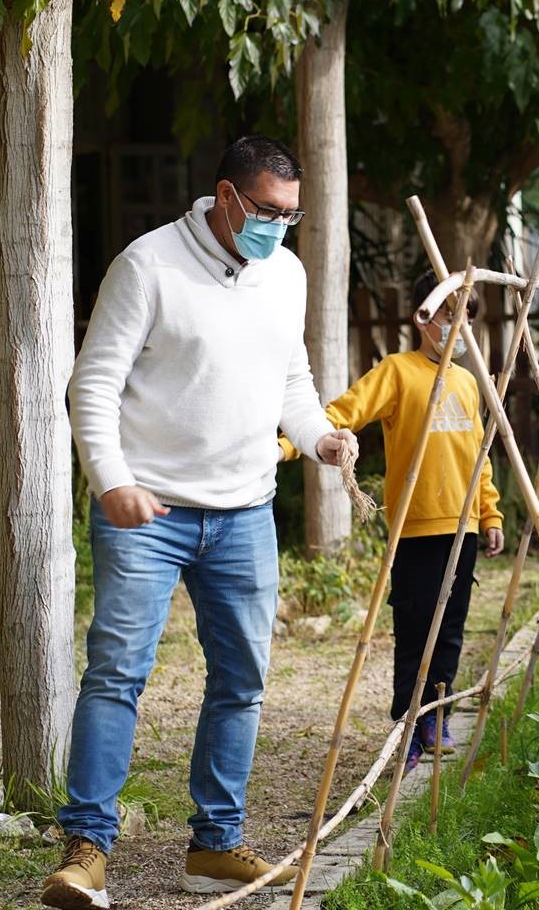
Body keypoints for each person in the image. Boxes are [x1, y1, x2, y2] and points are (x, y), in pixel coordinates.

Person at [53, 136, 357, 907]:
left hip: (246, 511)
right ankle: (86, 848)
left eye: (290, 216)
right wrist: (112, 480)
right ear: (226, 198)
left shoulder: (284, 273)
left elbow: (290, 377)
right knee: (117, 674)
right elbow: (91, 385)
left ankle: (214, 848)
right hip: (146, 510)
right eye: (266, 212)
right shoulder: (148, 266)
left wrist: (318, 435)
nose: (278, 229)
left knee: (242, 682)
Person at [294, 268, 505, 774]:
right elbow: (345, 411)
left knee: (451, 629)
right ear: (424, 318)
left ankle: (439, 715)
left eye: (467, 320)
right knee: (414, 629)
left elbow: (481, 458)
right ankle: (407, 726)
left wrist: (490, 512)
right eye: (449, 317)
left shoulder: (468, 383)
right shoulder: (397, 371)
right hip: (415, 529)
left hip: (463, 527)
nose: (459, 330)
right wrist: (290, 442)